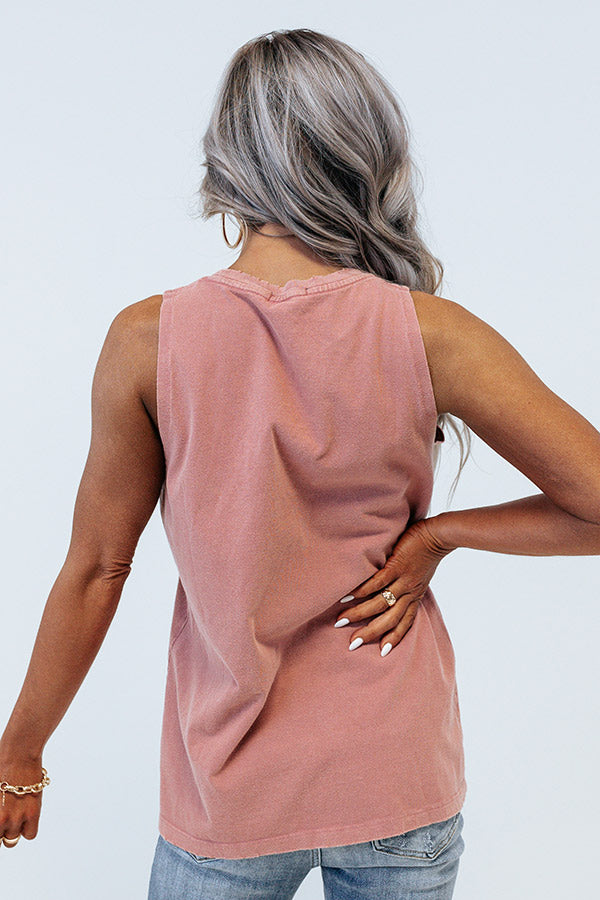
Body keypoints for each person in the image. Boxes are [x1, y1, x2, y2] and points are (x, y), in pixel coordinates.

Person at [1, 27, 599, 900]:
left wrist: (21, 751)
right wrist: (438, 537)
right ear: (367, 156)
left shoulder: (145, 341)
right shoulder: (432, 333)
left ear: (225, 161)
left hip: (230, 789)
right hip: (395, 774)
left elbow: (98, 568)